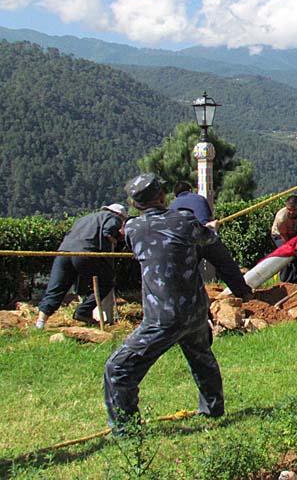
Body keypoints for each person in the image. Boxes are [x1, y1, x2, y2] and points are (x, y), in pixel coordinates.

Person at [104, 173, 224, 435]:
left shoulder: (134, 229)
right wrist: (212, 227)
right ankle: (213, 411)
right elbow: (208, 237)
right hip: (195, 310)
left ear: (135, 205)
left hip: (162, 316)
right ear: (163, 196)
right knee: (202, 358)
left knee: (119, 368)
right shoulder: (184, 220)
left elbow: (136, 240)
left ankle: (127, 431)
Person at [35, 203, 128, 329]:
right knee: (106, 282)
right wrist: (116, 239)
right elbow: (108, 230)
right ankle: (83, 311)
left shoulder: (84, 219)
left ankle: (40, 322)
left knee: (56, 288)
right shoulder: (113, 217)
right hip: (86, 253)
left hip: (63, 253)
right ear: (119, 215)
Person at [170, 181, 252, 300]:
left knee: (185, 272)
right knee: (226, 265)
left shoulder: (172, 206)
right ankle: (244, 293)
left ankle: (183, 299)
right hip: (206, 236)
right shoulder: (199, 199)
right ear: (190, 190)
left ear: (175, 196)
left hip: (187, 243)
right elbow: (207, 219)